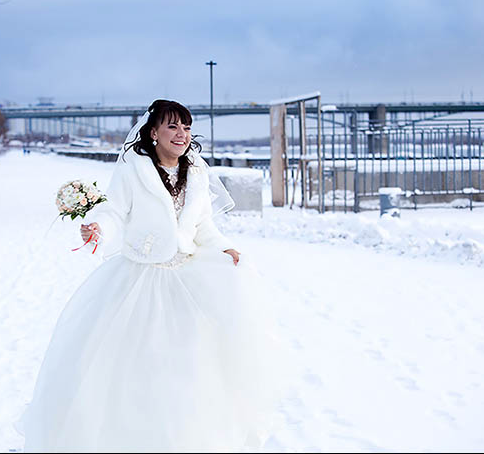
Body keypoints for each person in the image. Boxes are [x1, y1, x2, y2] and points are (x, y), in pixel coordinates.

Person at [16, 100, 295, 452]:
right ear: (153, 132)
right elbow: (115, 211)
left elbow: (203, 224)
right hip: (139, 280)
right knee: (133, 372)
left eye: (186, 128)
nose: (181, 135)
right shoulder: (134, 169)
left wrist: (224, 247)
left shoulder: (196, 171)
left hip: (188, 280)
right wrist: (99, 228)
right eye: (172, 127)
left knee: (189, 371)